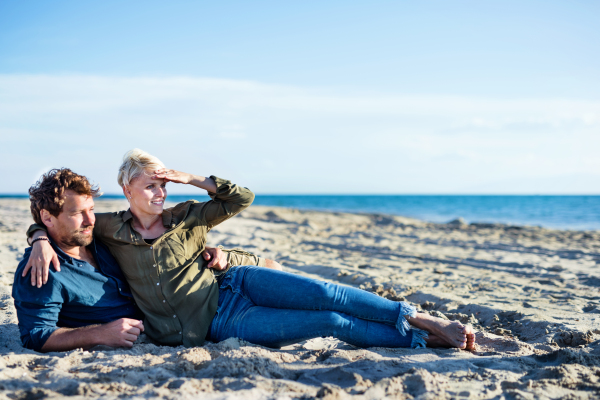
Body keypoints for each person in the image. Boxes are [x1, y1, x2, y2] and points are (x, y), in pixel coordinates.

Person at [25, 149, 476, 351]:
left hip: (234, 280)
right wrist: (39, 239)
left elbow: (240, 199)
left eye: (163, 184)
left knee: (327, 292)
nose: (159, 192)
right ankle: (421, 339)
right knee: (330, 322)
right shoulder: (105, 228)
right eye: (151, 185)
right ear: (127, 189)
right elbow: (57, 223)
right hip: (222, 320)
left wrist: (193, 180)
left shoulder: (187, 214)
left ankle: (419, 317)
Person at [13, 169, 277, 352]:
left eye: (91, 210)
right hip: (194, 324)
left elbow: (150, 248)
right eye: (77, 213)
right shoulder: (40, 269)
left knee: (276, 272)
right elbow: (35, 336)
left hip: (205, 282)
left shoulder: (96, 237)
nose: (89, 220)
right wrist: (99, 334)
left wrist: (38, 236)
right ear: (48, 218)